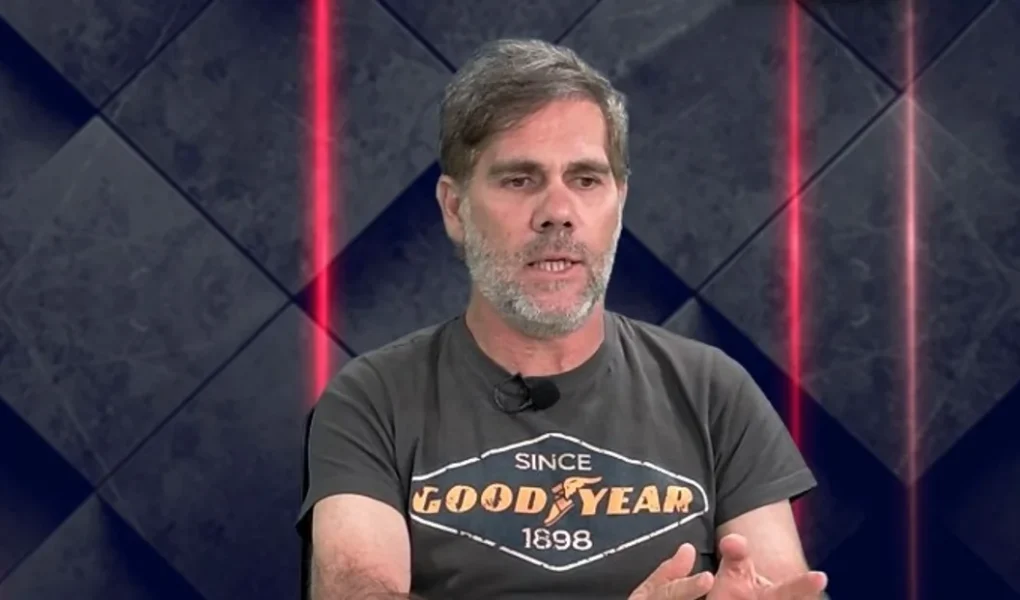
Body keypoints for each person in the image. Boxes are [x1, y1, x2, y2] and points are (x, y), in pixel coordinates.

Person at [297, 38, 829, 600]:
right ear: (455, 208)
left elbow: (782, 588)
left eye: (585, 179)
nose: (558, 213)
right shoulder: (372, 399)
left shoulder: (712, 391)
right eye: (519, 179)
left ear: (618, 204)